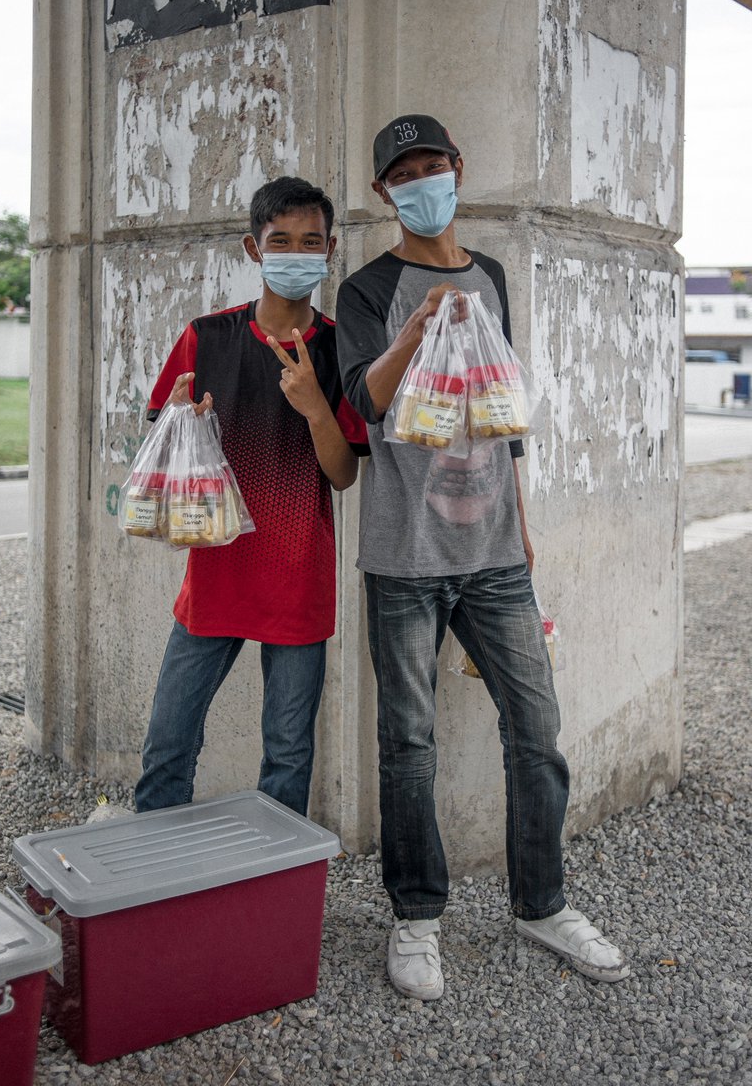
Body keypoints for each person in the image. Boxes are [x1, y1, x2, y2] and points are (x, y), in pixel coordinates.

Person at [335, 114, 629, 999]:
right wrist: (416, 330)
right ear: (383, 193)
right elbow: (363, 406)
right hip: (404, 555)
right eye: (403, 175)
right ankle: (416, 915)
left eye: (433, 166)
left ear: (458, 170)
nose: (421, 183)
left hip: (495, 551)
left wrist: (522, 523)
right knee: (408, 744)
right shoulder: (367, 288)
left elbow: (502, 409)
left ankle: (541, 904)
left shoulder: (491, 274)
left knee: (535, 732)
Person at [135, 176, 368, 818]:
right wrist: (180, 421)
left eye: (311, 242)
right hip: (216, 575)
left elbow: (344, 475)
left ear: (330, 249)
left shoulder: (339, 349)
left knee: (288, 755)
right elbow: (161, 449)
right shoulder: (206, 337)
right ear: (253, 248)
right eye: (280, 241)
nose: (297, 253)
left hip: (298, 579)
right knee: (168, 743)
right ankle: (152, 864)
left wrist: (316, 408)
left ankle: (278, 874)